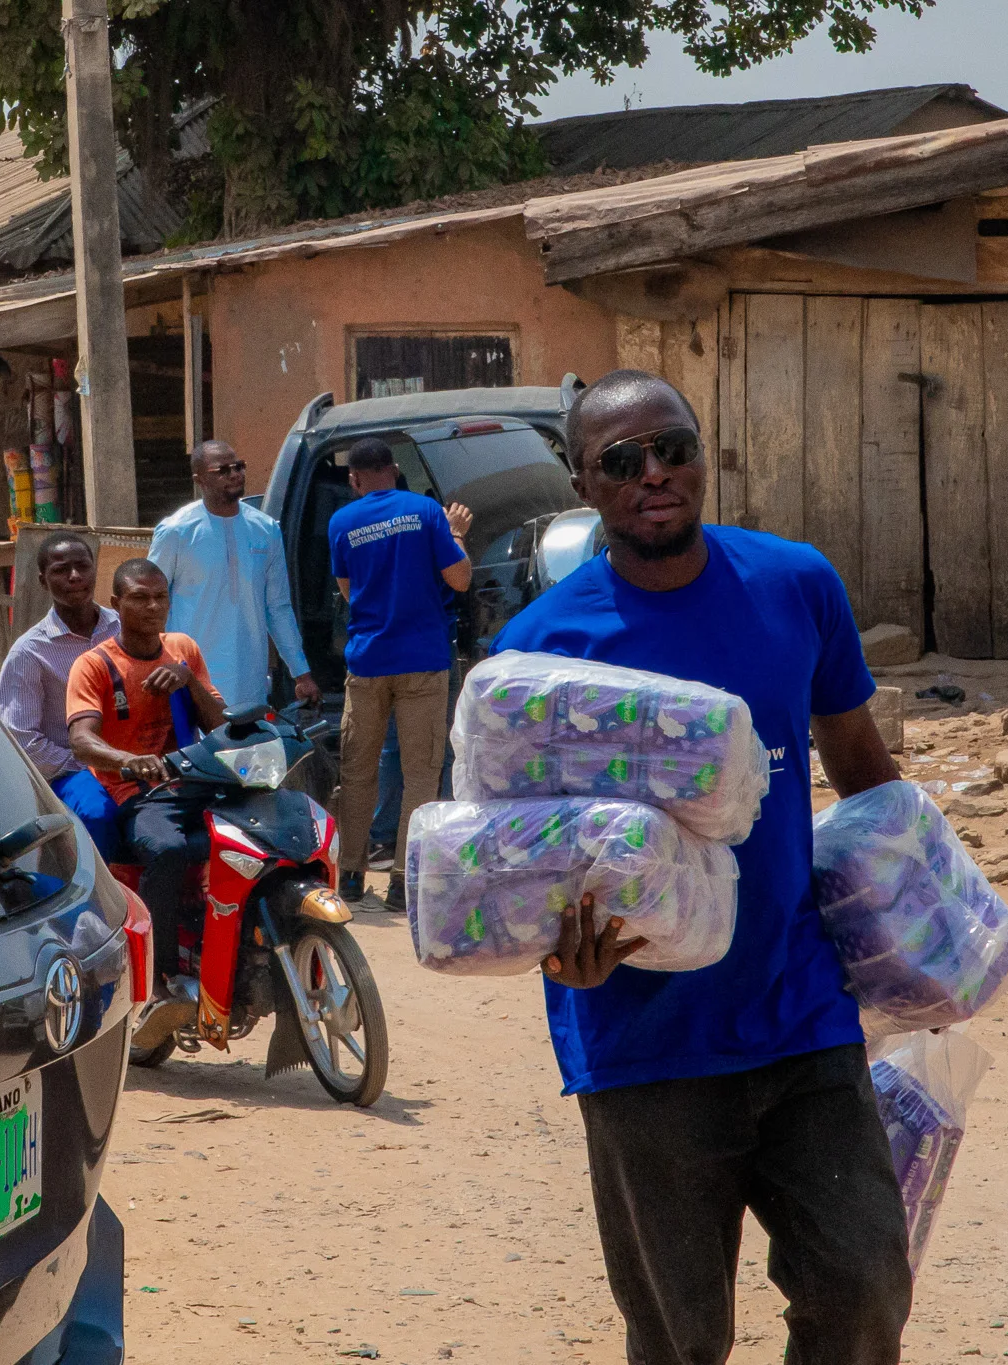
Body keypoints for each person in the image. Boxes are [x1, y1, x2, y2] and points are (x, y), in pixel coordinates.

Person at [492, 370, 913, 1365]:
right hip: (642, 1042)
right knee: (679, 1337)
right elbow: (515, 862)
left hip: (800, 1014)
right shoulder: (540, 651)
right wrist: (556, 955)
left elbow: (861, 766)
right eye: (620, 461)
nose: (654, 474)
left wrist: (921, 935)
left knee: (863, 1289)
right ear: (582, 484)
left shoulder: (794, 584)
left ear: (701, 453)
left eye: (672, 447)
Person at [66, 559, 229, 1046]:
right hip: (140, 792)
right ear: (115, 603)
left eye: (160, 597)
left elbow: (220, 726)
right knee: (168, 850)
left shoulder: (183, 649)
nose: (152, 606)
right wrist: (130, 761)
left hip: (194, 780)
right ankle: (158, 980)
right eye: (139, 597)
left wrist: (187, 679)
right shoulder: (95, 664)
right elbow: (81, 740)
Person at [326, 437, 473, 912]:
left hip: (368, 662)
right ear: (394, 469)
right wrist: (456, 535)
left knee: (358, 770)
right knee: (422, 775)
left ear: (354, 479)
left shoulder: (341, 522)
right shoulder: (427, 511)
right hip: (423, 662)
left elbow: (347, 590)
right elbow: (460, 579)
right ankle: (402, 881)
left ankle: (351, 875)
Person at [148, 438, 319, 712]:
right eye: (223, 470)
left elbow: (278, 607)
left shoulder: (265, 529)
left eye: (238, 466)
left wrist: (301, 673)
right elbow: (151, 602)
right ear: (199, 480)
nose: (235, 474)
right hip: (189, 676)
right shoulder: (176, 531)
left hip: (250, 677)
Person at [0, 532, 123, 858]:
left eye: (82, 566)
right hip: (73, 770)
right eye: (61, 570)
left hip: (135, 757)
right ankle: (103, 887)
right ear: (43, 580)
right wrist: (94, 763)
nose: (75, 576)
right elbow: (22, 740)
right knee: (98, 814)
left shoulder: (122, 628)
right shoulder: (29, 653)